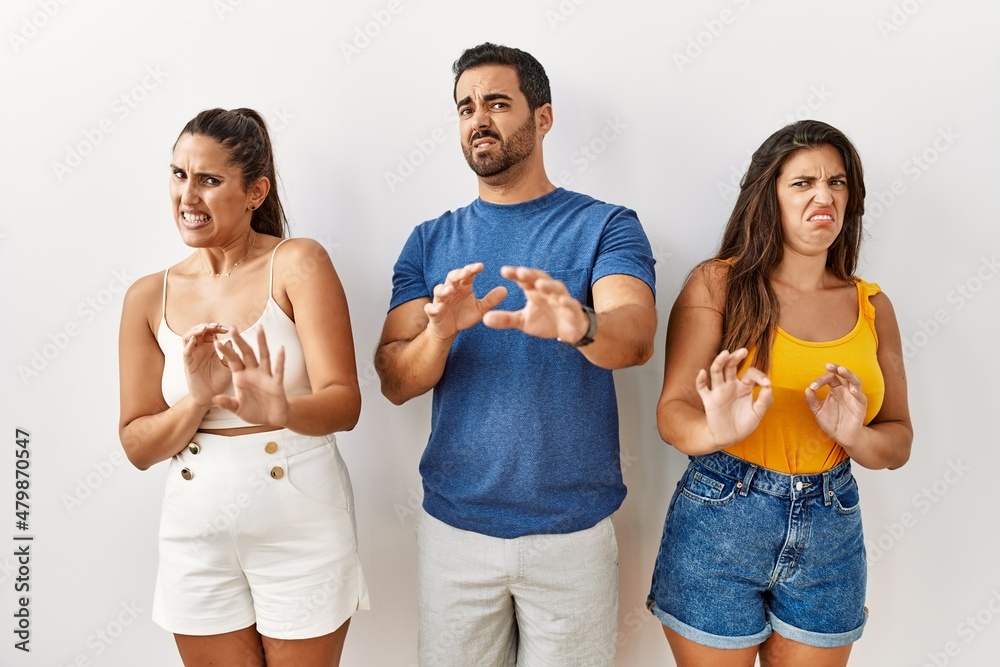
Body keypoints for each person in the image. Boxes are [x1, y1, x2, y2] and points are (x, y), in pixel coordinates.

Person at [375, 43, 657, 666]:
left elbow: (634, 337)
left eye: (497, 103)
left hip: (573, 537)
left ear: (543, 117)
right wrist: (439, 334)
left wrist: (579, 323)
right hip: (456, 533)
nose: (479, 119)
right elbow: (394, 378)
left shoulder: (606, 225)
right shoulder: (429, 241)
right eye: (465, 107)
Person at [647, 120, 912, 666]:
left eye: (838, 183)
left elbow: (899, 441)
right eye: (803, 183)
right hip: (721, 516)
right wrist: (716, 430)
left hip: (831, 525)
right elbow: (672, 413)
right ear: (768, 195)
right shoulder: (716, 284)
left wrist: (855, 435)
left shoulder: (873, 305)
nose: (825, 196)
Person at [118, 108, 368, 667]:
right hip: (194, 527)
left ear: (255, 191)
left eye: (209, 180)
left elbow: (345, 403)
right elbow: (137, 445)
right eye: (179, 174)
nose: (188, 195)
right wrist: (198, 399)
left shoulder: (298, 262)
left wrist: (282, 409)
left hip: (299, 518)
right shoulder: (146, 296)